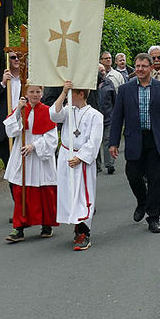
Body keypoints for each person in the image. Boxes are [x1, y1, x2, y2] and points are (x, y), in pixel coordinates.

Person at [109, 53, 160, 234]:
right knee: (133, 175)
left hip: (155, 139)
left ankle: (153, 217)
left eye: (144, 66)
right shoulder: (125, 90)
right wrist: (113, 143)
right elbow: (117, 117)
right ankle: (142, 201)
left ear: (151, 68)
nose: (140, 69)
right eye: (138, 66)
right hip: (134, 139)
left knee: (155, 179)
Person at [2, 83, 59, 244]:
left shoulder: (47, 111)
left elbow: (52, 139)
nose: (34, 94)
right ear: (26, 93)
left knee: (44, 191)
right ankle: (18, 227)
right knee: (21, 191)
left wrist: (34, 146)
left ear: (42, 93)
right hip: (23, 156)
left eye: (37, 91)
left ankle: (46, 224)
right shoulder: (21, 109)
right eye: (31, 91)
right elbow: (11, 131)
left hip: (40, 157)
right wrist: (18, 110)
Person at [50, 83, 103, 251]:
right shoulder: (68, 111)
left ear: (80, 94)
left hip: (82, 159)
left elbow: (94, 141)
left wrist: (80, 158)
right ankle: (76, 225)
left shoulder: (95, 115)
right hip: (66, 155)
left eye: (71, 94)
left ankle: (84, 232)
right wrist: (64, 91)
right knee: (68, 192)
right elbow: (53, 114)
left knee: (83, 194)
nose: (67, 98)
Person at [96, 65, 118, 174]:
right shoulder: (91, 85)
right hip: (95, 119)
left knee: (107, 140)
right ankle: (96, 165)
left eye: (103, 70)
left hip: (108, 117)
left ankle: (109, 164)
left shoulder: (109, 83)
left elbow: (115, 100)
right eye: (100, 71)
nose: (102, 73)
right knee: (95, 142)